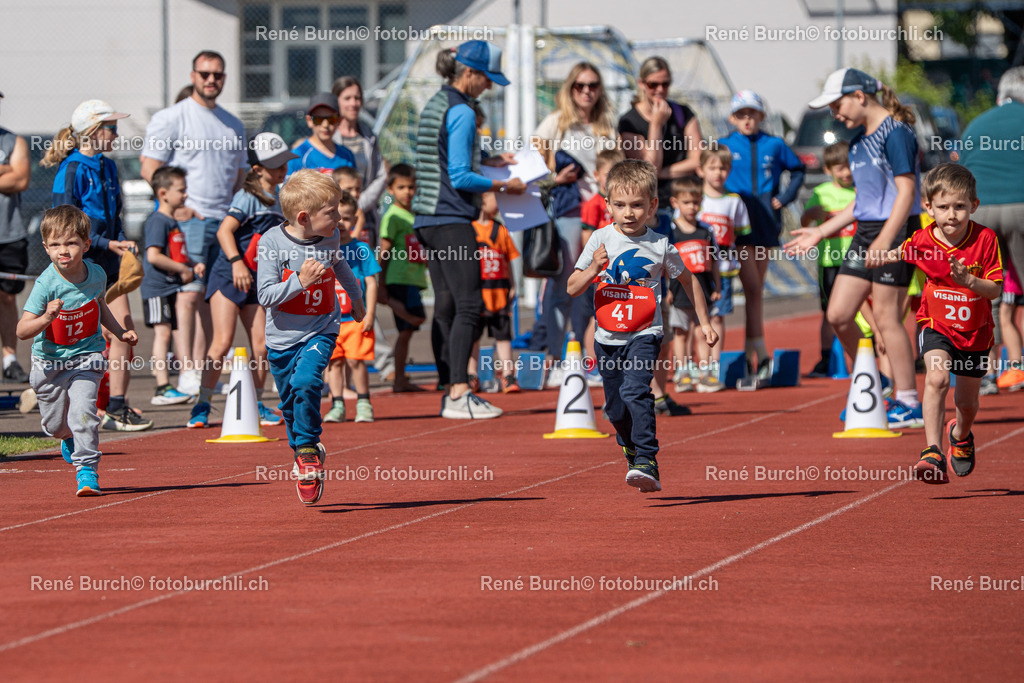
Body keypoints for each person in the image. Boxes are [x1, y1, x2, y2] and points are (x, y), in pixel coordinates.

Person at [567, 160, 718, 493]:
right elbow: (572, 287)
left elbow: (689, 281)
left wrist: (704, 322)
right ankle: (631, 448)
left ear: (652, 206)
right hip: (607, 337)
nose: (629, 213)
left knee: (636, 390)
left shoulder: (660, 245)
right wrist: (593, 268)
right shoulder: (599, 238)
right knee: (614, 408)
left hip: (645, 333)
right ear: (608, 205)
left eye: (637, 205)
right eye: (620, 205)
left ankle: (648, 460)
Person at [787, 68, 923, 428]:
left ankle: (909, 402)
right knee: (838, 315)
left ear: (859, 96)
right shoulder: (860, 142)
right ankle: (874, 390)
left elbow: (906, 193)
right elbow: (860, 203)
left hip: (896, 231)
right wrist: (821, 232)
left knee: (886, 318)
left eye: (837, 105)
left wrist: (885, 239)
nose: (835, 114)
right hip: (866, 231)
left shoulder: (897, 133)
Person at [412, 41, 526, 419]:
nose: (489, 87)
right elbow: (459, 176)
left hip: (427, 218)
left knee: (445, 305)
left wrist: (489, 160)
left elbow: (443, 159)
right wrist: (504, 185)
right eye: (487, 79)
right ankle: (461, 391)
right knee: (469, 305)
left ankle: (450, 388)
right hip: (450, 219)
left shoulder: (438, 102)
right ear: (470, 74)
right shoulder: (461, 110)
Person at [878, 164, 1002, 483]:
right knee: (936, 380)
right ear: (928, 207)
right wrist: (877, 256)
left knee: (966, 402)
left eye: (960, 207)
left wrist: (970, 281)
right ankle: (931, 451)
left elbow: (995, 289)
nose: (952, 215)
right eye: (943, 207)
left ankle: (960, 435)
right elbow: (902, 252)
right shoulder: (922, 239)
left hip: (975, 333)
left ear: (973, 206)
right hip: (937, 325)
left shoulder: (986, 239)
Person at [141, 50, 248, 397]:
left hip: (224, 222)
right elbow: (150, 167)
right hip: (188, 223)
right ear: (193, 75)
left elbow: (240, 175)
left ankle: (204, 372)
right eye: (205, 74)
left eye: (217, 74)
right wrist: (174, 209)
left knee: (209, 298)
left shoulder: (233, 123)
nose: (211, 80)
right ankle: (185, 370)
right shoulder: (173, 117)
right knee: (186, 296)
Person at [256, 169, 364, 506]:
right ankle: (304, 448)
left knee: (306, 382)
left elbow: (340, 264)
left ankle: (307, 453)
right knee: (290, 403)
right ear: (304, 218)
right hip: (281, 339)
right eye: (331, 212)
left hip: (321, 328)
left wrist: (356, 298)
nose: (339, 219)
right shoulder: (271, 243)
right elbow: (265, 295)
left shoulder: (330, 237)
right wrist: (300, 282)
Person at [16, 205, 139, 495]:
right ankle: (66, 437)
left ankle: (87, 470)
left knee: (84, 412)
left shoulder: (96, 273)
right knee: (56, 424)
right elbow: (22, 331)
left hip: (87, 357)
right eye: (56, 244)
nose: (64, 251)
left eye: (71, 243)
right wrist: (46, 317)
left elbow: (99, 306)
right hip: (49, 363)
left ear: (85, 244)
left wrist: (120, 332)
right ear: (46, 248)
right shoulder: (46, 283)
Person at [45, 99, 151, 431]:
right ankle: (61, 400)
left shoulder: (107, 166)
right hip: (82, 264)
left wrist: (121, 242)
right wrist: (105, 243)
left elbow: (114, 214)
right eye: (111, 128)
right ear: (92, 132)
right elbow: (63, 225)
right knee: (77, 338)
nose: (116, 135)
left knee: (123, 331)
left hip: (109, 262)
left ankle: (116, 407)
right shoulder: (72, 169)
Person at [187, 132, 295, 429]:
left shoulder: (282, 196)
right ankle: (202, 403)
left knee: (261, 346)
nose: (282, 169)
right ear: (257, 169)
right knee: (221, 343)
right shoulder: (247, 197)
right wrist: (236, 263)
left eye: (284, 162)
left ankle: (256, 402)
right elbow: (224, 232)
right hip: (229, 274)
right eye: (275, 165)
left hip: (259, 280)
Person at [532, 63, 620, 383]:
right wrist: (555, 179)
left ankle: (590, 361)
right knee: (564, 285)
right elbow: (528, 167)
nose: (586, 91)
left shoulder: (607, 126)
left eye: (593, 85)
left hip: (604, 214)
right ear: (570, 89)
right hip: (569, 214)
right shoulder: (555, 123)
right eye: (579, 85)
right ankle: (557, 360)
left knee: (598, 288)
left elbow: (617, 169)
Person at [719, 90, 805, 382]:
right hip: (737, 225)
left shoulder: (775, 144)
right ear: (732, 118)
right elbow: (707, 173)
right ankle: (759, 352)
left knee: (756, 291)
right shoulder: (724, 145)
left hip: (766, 222)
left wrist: (785, 197)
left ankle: (751, 353)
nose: (747, 119)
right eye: (741, 114)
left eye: (752, 114)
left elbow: (798, 169)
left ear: (761, 116)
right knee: (753, 288)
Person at [959, 66, 1024, 390]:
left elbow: (962, 166)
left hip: (981, 210)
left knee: (986, 293)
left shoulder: (979, 123)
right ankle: (1018, 367)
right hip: (1022, 205)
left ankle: (984, 372)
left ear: (1002, 95)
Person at [140, 166, 199, 406]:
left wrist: (192, 266)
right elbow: (153, 256)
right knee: (162, 334)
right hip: (157, 289)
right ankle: (162, 386)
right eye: (181, 190)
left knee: (170, 334)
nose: (185, 195)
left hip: (169, 287)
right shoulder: (158, 220)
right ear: (163, 193)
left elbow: (173, 253)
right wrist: (182, 269)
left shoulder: (171, 220)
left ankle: (168, 385)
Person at [618, 56, 705, 213]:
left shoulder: (682, 113)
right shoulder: (629, 121)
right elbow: (650, 168)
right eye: (653, 84)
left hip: (686, 204)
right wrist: (656, 125)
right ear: (641, 83)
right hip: (653, 206)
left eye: (665, 84)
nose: (659, 90)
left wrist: (663, 172)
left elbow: (698, 160)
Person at [800, 141, 856, 377]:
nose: (845, 173)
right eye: (839, 168)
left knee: (860, 310)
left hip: (856, 260)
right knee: (829, 311)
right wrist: (811, 214)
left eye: (849, 167)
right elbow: (804, 222)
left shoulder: (860, 192)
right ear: (828, 170)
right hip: (829, 262)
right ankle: (825, 358)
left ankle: (866, 354)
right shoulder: (821, 193)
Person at [695, 146, 750, 382]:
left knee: (717, 317)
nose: (718, 172)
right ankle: (701, 365)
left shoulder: (734, 201)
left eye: (723, 168)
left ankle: (715, 367)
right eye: (713, 167)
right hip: (698, 270)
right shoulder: (695, 200)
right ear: (701, 170)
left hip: (725, 270)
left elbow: (740, 233)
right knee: (698, 318)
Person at [324, 190, 380, 423]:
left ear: (356, 220)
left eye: (347, 218)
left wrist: (369, 313)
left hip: (355, 318)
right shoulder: (324, 248)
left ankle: (364, 402)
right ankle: (337, 404)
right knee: (334, 362)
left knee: (356, 361)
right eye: (337, 218)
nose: (342, 223)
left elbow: (371, 282)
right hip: (330, 320)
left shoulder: (361, 249)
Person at [667, 176, 721, 392]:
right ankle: (682, 372)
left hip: (703, 289)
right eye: (687, 202)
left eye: (696, 202)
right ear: (675, 203)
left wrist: (716, 286)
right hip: (678, 290)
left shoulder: (706, 231)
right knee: (681, 332)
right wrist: (667, 289)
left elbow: (714, 261)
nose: (692, 207)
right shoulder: (672, 231)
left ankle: (706, 371)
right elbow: (664, 264)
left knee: (702, 332)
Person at [579, 148, 626, 383]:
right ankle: (591, 364)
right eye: (608, 174)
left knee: (616, 319)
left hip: (621, 273)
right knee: (596, 319)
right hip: (600, 272)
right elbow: (586, 237)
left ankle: (615, 364)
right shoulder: (593, 204)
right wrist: (593, 264)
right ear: (597, 175)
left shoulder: (621, 205)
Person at [379, 164, 426, 392]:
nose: (407, 192)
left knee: (408, 331)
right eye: (401, 187)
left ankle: (401, 378)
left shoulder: (412, 215)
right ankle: (399, 379)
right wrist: (380, 284)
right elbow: (384, 251)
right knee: (408, 328)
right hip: (398, 278)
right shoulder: (393, 216)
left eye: (411, 187)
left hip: (412, 278)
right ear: (390, 189)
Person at [468, 191, 521, 392]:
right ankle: (471, 374)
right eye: (496, 199)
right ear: (482, 200)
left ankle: (508, 375)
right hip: (478, 292)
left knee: (503, 336)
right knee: (473, 336)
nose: (499, 204)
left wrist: (513, 285)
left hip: (499, 292)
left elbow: (509, 258)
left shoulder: (501, 230)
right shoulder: (470, 229)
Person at [332, 76, 388, 248]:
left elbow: (381, 175)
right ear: (337, 101)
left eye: (357, 98)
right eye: (347, 98)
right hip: (337, 217)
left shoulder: (368, 137)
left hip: (365, 216)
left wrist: (359, 203)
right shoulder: (329, 136)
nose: (353, 103)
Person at [0, 91, 31, 383]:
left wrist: (12, 171)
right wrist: (3, 170)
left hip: (8, 234)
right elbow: (10, 175)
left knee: (7, 297)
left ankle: (9, 359)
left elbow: (20, 178)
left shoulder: (13, 141)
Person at [287, 93, 356, 177]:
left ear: (339, 120)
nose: (325, 125)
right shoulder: (298, 155)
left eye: (332, 119)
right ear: (309, 121)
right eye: (318, 119)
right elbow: (288, 189)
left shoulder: (346, 155)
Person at [333, 166, 366, 240]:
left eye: (358, 189)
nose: (354, 194)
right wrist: (360, 223)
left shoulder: (359, 212)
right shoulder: (332, 210)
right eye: (349, 189)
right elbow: (352, 244)